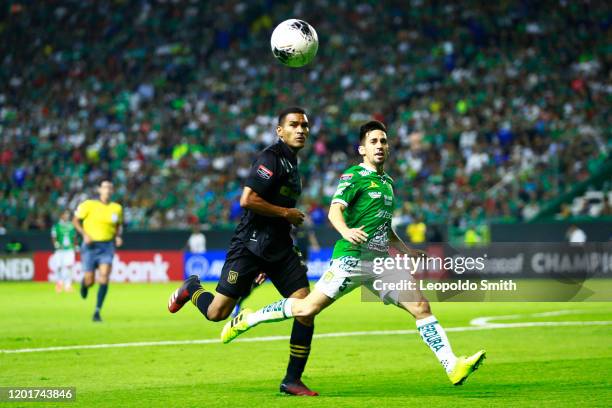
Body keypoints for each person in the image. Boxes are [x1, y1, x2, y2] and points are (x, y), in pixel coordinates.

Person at [221, 120, 486, 388]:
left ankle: (452, 366)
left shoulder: (387, 182)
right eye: (373, 142)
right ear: (362, 149)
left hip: (381, 262)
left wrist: (406, 250)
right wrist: (345, 230)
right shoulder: (353, 176)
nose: (379, 146)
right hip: (351, 259)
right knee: (307, 308)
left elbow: (383, 226)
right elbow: (334, 210)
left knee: (421, 306)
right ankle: (249, 318)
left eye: (383, 141)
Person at [168, 107, 318, 396]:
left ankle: (292, 380)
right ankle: (192, 288)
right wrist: (286, 212)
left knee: (306, 307)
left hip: (280, 247)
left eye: (305, 125)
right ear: (279, 131)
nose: (301, 130)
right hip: (249, 246)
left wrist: (282, 223)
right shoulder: (270, 158)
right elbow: (248, 200)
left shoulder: (293, 163)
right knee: (216, 313)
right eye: (294, 125)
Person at [73, 179, 123, 322]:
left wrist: (118, 236)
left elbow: (118, 226)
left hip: (107, 246)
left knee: (105, 275)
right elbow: (75, 220)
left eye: (110, 187)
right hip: (90, 246)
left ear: (112, 191)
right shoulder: (89, 205)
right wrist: (84, 234)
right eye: (105, 187)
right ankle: (84, 284)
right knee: (90, 280)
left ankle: (97, 311)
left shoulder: (117, 208)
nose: (107, 190)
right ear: (99, 190)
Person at [51, 209, 78, 292]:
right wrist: (56, 244)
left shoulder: (71, 225)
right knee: (59, 267)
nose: (67, 216)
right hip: (60, 250)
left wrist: (75, 246)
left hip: (69, 249)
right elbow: (54, 237)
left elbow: (74, 237)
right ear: (61, 216)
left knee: (69, 267)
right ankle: (59, 283)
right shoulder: (56, 226)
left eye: (68, 214)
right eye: (65, 214)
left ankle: (68, 285)